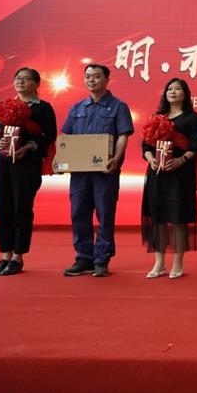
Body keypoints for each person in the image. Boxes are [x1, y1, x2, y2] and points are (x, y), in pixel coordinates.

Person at [61, 64, 134, 277]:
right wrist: (62, 160)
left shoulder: (118, 106)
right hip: (80, 172)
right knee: (79, 213)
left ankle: (102, 259)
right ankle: (84, 258)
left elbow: (123, 135)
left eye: (96, 76)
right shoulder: (77, 107)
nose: (91, 80)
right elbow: (66, 137)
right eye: (87, 76)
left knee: (105, 213)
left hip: (105, 171)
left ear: (107, 80)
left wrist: (116, 159)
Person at [0, 67, 57, 276]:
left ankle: (18, 256)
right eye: (17, 78)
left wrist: (29, 146)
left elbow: (50, 135)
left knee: (22, 209)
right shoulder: (4, 105)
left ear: (36, 84)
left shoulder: (43, 108)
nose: (20, 81)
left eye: (26, 79)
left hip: (27, 163)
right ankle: (5, 255)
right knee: (3, 208)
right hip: (2, 163)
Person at [141, 78, 197, 279]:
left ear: (185, 94)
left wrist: (181, 160)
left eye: (177, 89)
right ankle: (159, 263)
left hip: (180, 174)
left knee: (178, 217)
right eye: (169, 89)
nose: (173, 92)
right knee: (157, 217)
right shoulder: (157, 116)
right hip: (157, 173)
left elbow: (195, 145)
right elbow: (146, 146)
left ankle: (178, 262)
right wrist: (151, 159)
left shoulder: (192, 117)